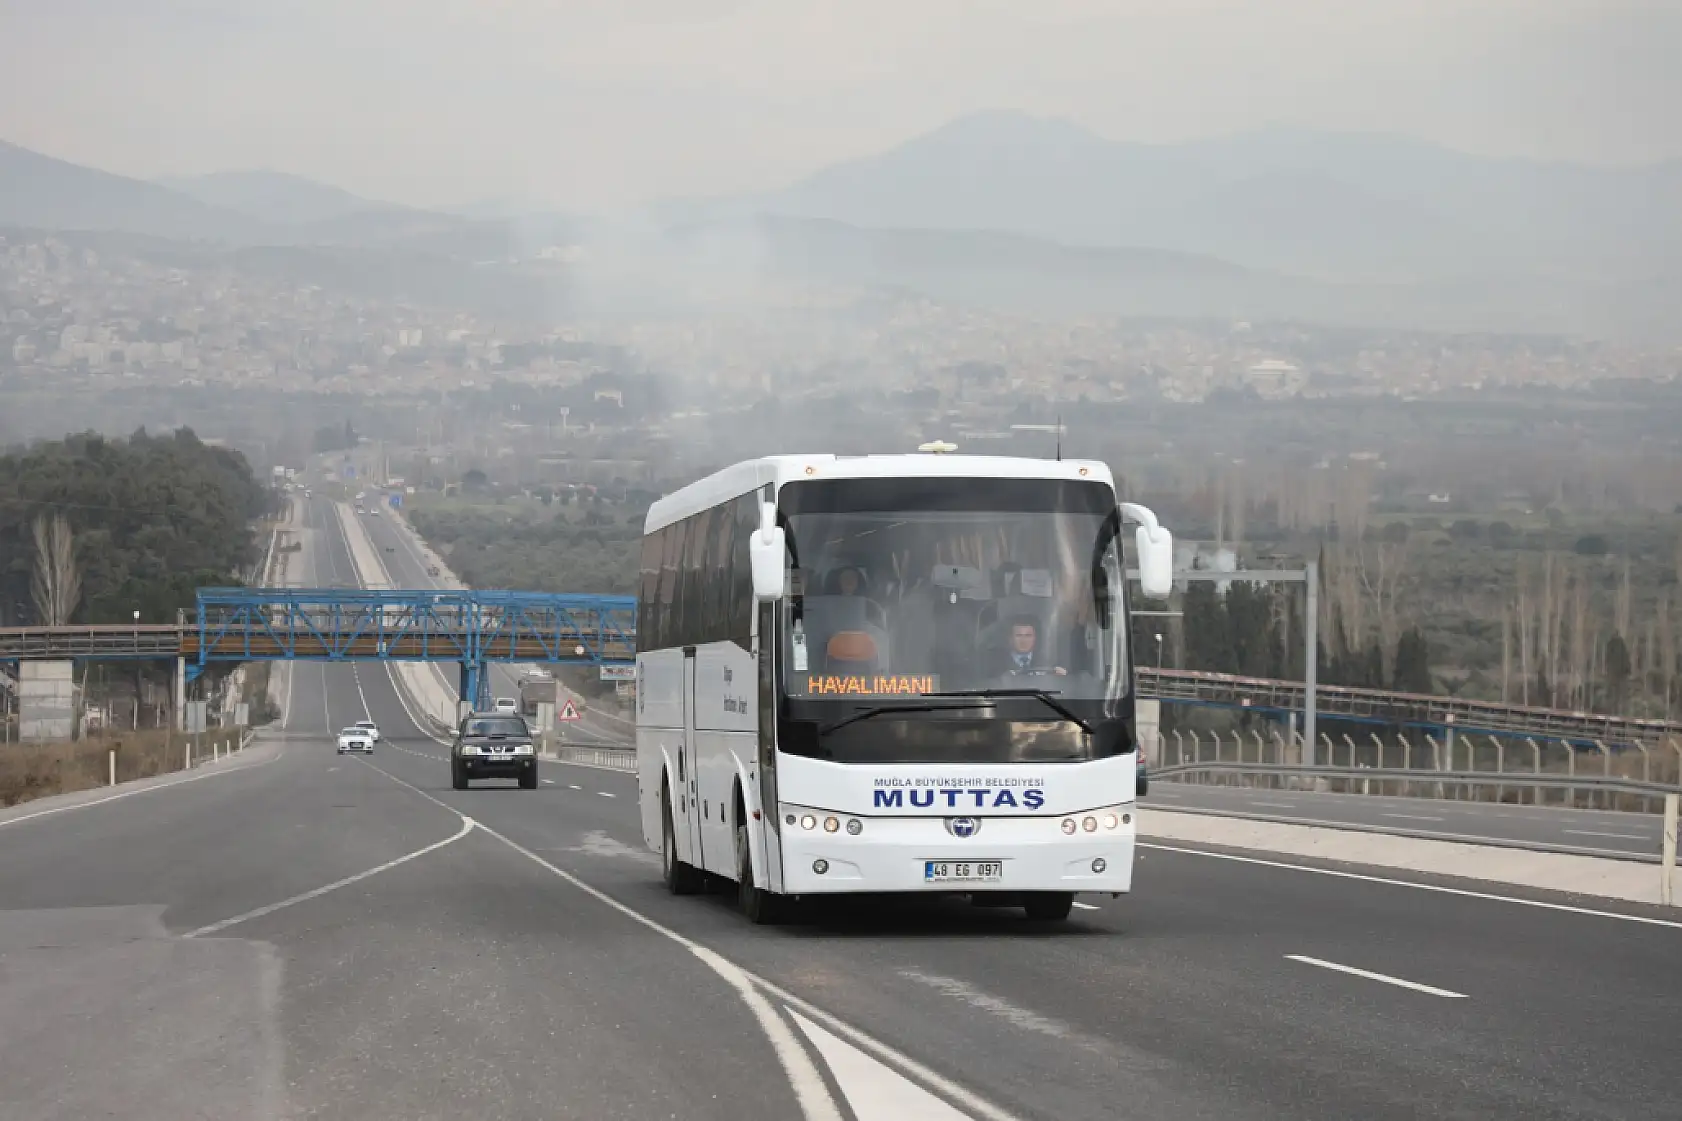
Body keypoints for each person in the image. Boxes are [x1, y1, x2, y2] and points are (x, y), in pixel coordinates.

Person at [997, 617, 1066, 677]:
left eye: (1028, 635)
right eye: (1018, 635)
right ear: (1011, 639)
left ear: (1034, 638)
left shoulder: (1047, 663)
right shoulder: (998, 665)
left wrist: (1061, 675)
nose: (1023, 640)